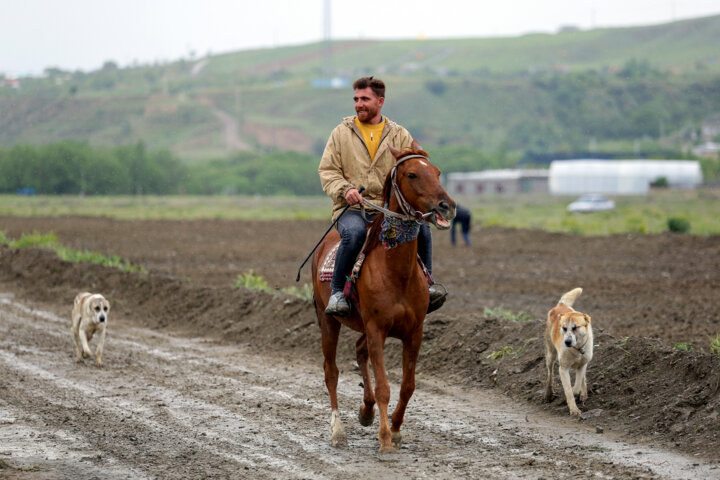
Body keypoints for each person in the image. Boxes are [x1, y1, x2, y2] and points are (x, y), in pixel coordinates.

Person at [318, 76, 444, 316]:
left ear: (380, 101)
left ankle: (428, 284)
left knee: (424, 229)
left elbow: (412, 171)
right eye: (356, 99)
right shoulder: (340, 134)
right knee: (354, 234)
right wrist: (346, 191)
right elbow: (328, 171)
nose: (358, 104)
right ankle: (336, 292)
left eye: (365, 99)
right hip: (354, 210)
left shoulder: (400, 135)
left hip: (390, 212)